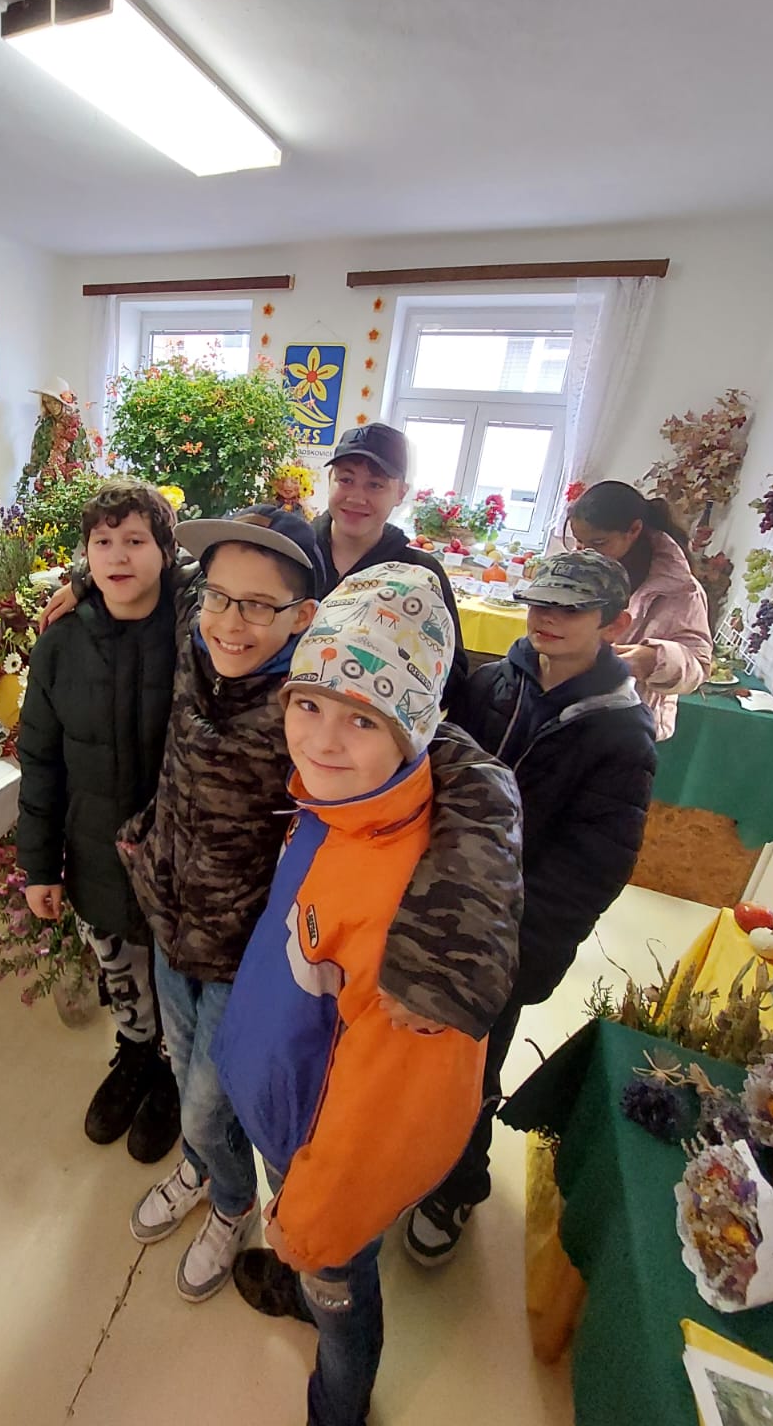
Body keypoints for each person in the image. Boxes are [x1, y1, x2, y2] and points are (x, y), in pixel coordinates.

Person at [212, 563, 524, 1426]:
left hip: (327, 1156)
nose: (320, 740)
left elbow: (392, 1111)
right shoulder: (339, 803)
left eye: (362, 718)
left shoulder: (416, 907)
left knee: (341, 1292)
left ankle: (338, 1407)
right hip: (291, 1114)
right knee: (322, 1271)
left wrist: (312, 1223)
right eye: (308, 704)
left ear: (416, 731)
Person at [402, 550, 656, 1266]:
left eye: (571, 608)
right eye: (541, 602)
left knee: (476, 1062)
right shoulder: (491, 684)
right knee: (413, 1046)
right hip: (434, 903)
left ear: (616, 620)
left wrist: (518, 952)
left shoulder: (619, 734)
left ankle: (458, 1178)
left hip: (508, 937)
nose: (547, 617)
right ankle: (404, 1156)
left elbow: (590, 867)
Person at [122, 508, 325, 1303]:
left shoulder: (312, 708)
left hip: (247, 949)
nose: (229, 623)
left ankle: (232, 1201)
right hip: (172, 915)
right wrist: (76, 586)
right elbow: (141, 576)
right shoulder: (192, 640)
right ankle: (203, 1170)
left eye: (257, 606)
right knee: (182, 1073)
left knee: (211, 1102)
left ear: (304, 617)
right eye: (218, 597)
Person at [16, 478, 182, 1164]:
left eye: (137, 541)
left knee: (180, 976)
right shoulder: (60, 647)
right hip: (96, 853)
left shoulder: (199, 626)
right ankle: (135, 1056)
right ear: (85, 554)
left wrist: (83, 580)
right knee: (121, 970)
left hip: (183, 863)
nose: (119, 557)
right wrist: (37, 867)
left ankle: (175, 1073)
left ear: (166, 553)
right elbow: (41, 762)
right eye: (102, 543)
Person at [310, 422, 468, 701]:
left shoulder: (420, 573)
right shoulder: (292, 554)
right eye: (346, 480)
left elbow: (452, 672)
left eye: (375, 485)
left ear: (400, 493)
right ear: (330, 479)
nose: (357, 497)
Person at [567, 480, 712, 739]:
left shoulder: (680, 590)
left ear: (634, 530)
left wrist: (654, 660)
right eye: (579, 542)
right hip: (565, 713)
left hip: (627, 728)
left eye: (599, 543)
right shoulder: (577, 569)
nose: (587, 553)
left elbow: (699, 666)